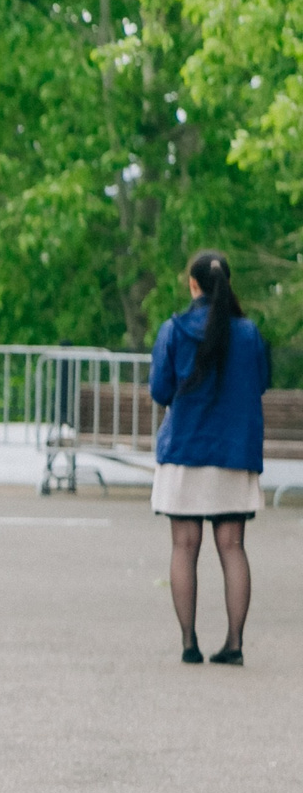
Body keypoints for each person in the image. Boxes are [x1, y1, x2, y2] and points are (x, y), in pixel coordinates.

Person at [151, 249, 270, 664]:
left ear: (193, 284)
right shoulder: (249, 333)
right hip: (234, 452)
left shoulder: (174, 329)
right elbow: (261, 382)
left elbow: (160, 390)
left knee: (184, 546)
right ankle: (234, 644)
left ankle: (189, 644)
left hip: (185, 451)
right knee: (233, 546)